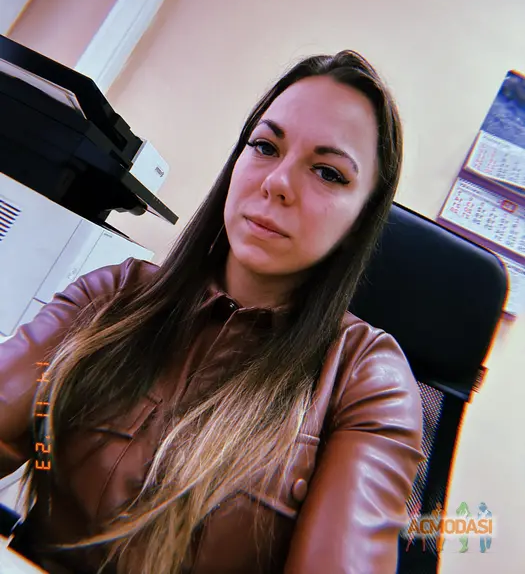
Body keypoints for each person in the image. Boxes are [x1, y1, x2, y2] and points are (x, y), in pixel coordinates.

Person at [0, 51, 424, 574]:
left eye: (328, 172)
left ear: (362, 218)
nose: (277, 182)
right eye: (265, 147)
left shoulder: (368, 381)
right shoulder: (113, 295)